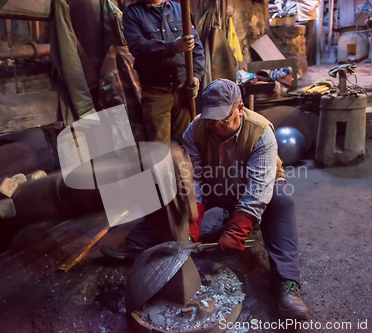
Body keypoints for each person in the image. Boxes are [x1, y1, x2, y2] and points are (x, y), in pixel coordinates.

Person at [182, 78, 309, 320]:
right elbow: (195, 179)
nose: (216, 124)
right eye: (211, 118)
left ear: (240, 109)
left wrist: (240, 226)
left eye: (224, 118)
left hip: (250, 185)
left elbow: (259, 188)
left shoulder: (261, 132)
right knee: (177, 192)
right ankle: (150, 246)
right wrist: (193, 215)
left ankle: (287, 283)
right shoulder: (195, 129)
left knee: (282, 199)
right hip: (214, 183)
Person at [122, 0, 205, 144]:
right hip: (156, 93)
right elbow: (139, 48)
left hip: (183, 90)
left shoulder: (180, 10)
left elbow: (197, 50)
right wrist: (173, 47)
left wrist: (196, 78)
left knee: (185, 145)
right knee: (160, 150)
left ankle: (182, 167)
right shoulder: (132, 13)